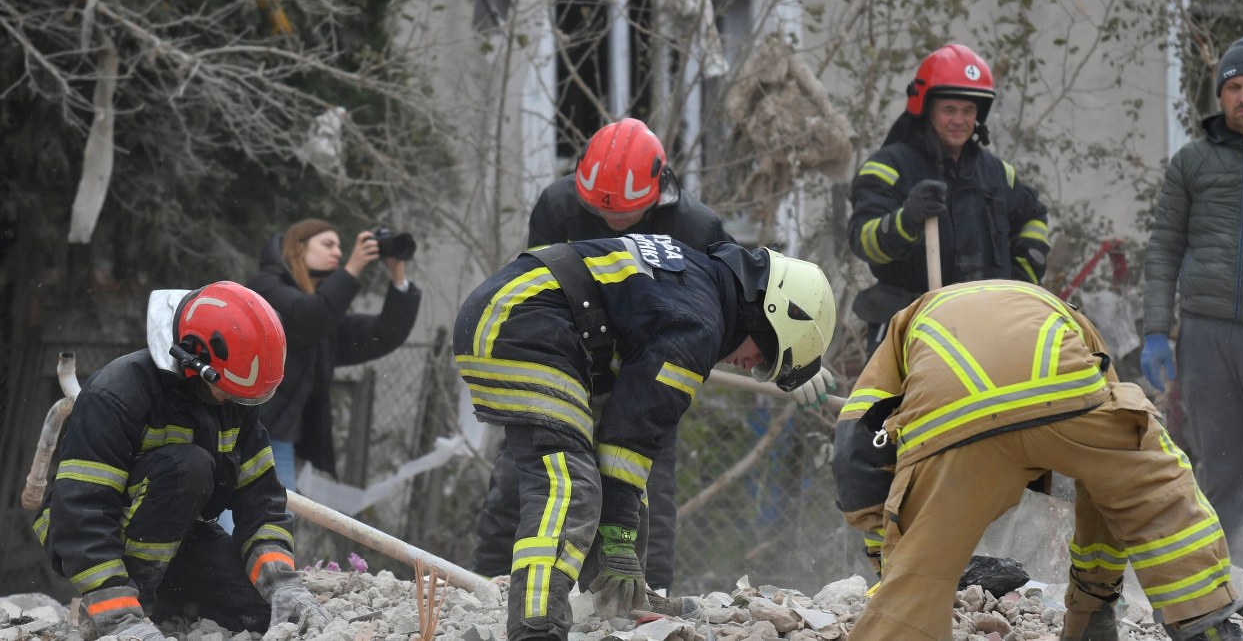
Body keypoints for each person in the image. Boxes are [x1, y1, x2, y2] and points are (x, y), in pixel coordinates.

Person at [471, 118, 837, 592]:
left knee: (646, 479)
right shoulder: (558, 206)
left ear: (658, 193)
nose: (613, 223)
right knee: (526, 473)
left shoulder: (696, 226)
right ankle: (485, 587)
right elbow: (545, 281)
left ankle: (642, 594)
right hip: (568, 359)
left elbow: (745, 303)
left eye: (625, 215)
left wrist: (793, 356)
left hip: (651, 368)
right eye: (601, 215)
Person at [454, 234, 836, 641]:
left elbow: (626, 450)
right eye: (767, 354)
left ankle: (618, 599)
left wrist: (623, 535)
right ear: (768, 313)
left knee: (624, 475)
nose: (752, 366)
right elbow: (632, 433)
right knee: (568, 484)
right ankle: (537, 624)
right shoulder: (699, 327)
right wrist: (618, 535)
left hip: (520, 314)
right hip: (519, 323)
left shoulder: (698, 284)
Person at [833, 279, 1243, 641]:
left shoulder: (903, 327)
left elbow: (859, 450)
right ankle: (1204, 620)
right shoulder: (1065, 318)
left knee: (918, 574)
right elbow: (1113, 486)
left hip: (954, 422)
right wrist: (1090, 609)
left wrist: (890, 562)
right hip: (1064, 398)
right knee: (1144, 485)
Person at [31, 282, 332, 639]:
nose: (236, 401)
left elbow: (262, 501)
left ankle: (165, 604)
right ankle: (122, 607)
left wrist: (283, 585)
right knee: (187, 468)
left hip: (178, 535)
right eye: (231, 391)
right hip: (86, 533)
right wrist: (118, 619)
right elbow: (81, 512)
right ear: (194, 358)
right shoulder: (116, 395)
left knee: (258, 612)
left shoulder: (231, 395)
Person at [1142, 33, 1243, 576]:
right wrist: (1157, 330)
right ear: (1220, 96)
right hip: (1205, 336)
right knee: (1219, 468)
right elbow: (1163, 248)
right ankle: (1240, 578)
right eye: (1235, 87)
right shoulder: (1191, 163)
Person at [847, 43, 1050, 355]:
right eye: (949, 110)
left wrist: (1018, 283)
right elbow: (863, 240)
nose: (960, 120)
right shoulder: (889, 167)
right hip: (911, 329)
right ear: (926, 109)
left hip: (989, 330)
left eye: (968, 111)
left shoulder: (997, 173)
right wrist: (908, 219)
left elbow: (1034, 217)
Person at [247, 219, 421, 489]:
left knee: (274, 520)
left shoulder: (323, 317)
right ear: (297, 248)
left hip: (279, 440)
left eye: (340, 247)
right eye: (328, 244)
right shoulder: (266, 288)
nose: (338, 253)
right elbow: (307, 319)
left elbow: (381, 335)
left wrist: (398, 276)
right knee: (246, 522)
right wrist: (352, 269)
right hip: (242, 433)